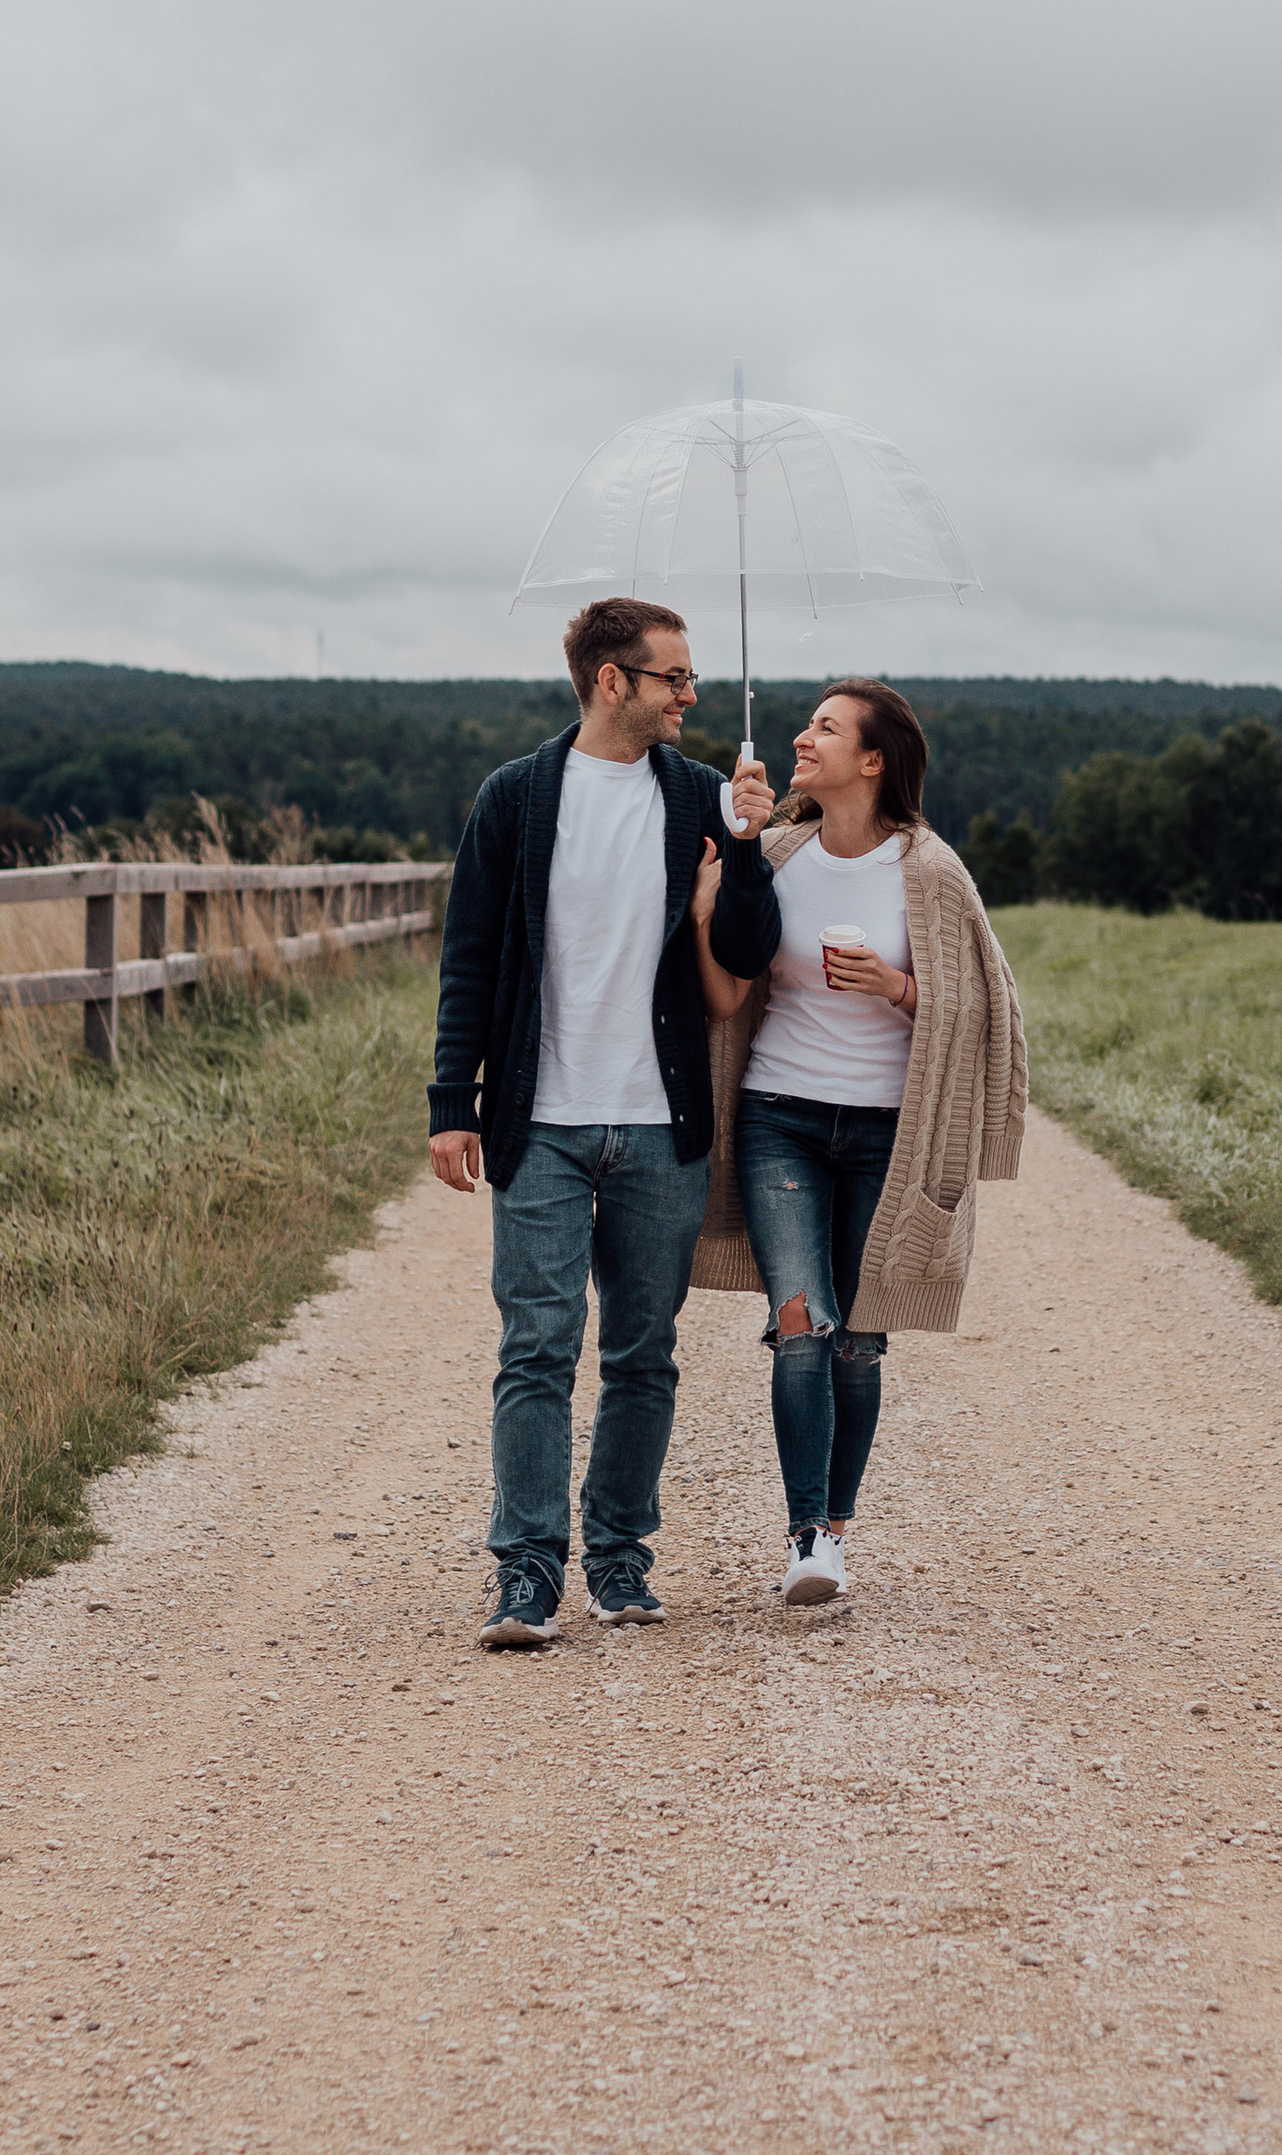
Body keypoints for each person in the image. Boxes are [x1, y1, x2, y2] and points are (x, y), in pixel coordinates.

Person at [429, 596, 781, 1650]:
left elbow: (750, 951)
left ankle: (619, 1557)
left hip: (655, 1120)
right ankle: (527, 1575)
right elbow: (471, 960)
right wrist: (455, 1106)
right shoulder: (517, 799)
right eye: (673, 678)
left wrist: (751, 845)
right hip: (540, 1121)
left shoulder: (702, 800)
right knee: (535, 1347)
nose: (690, 697)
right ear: (609, 680)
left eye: (694, 680)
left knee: (642, 1352)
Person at [690, 680, 1026, 1605]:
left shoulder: (931, 872)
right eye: (806, 724)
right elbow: (735, 961)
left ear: (873, 761)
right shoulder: (785, 852)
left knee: (859, 1343)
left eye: (826, 729)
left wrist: (898, 987)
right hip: (778, 1121)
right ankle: (805, 1538)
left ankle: (837, 1528)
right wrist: (740, 850)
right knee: (801, 1323)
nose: (804, 737)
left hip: (885, 1134)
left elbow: (988, 1008)